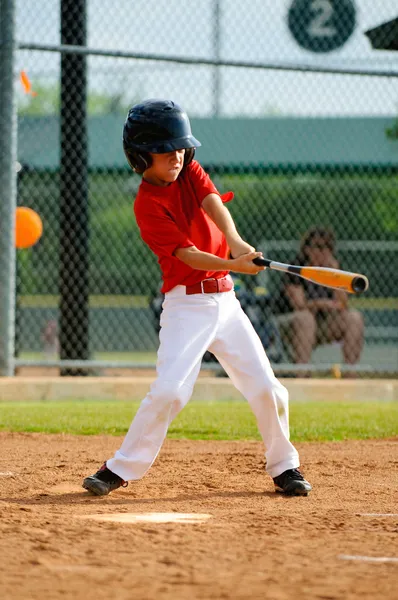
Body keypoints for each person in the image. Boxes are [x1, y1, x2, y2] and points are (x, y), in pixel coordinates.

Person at [82, 99, 312, 497]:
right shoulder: (147, 204)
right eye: (165, 148)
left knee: (267, 388)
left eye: (181, 147)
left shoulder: (188, 170)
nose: (176, 155)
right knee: (171, 391)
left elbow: (212, 202)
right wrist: (234, 263)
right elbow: (187, 254)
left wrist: (237, 243)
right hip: (185, 306)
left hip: (226, 304)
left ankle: (285, 466)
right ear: (139, 156)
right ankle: (119, 468)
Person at [273, 227, 364, 368]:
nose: (323, 252)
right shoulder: (297, 268)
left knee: (354, 318)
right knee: (306, 318)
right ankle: (302, 373)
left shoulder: (333, 270)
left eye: (327, 247)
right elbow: (299, 305)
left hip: (321, 324)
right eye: (318, 246)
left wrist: (336, 273)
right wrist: (322, 303)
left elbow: (343, 304)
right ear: (307, 249)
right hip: (290, 323)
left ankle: (349, 372)